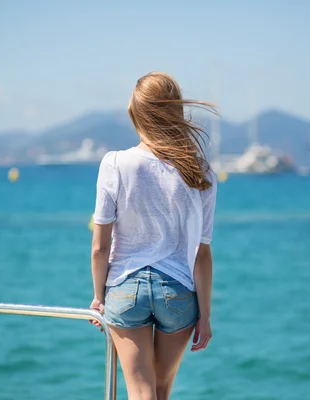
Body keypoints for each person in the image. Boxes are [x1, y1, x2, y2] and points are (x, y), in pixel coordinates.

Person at [89, 72, 218, 400]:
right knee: (160, 391)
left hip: (125, 288)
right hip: (177, 292)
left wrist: (99, 298)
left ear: (136, 113)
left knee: (141, 391)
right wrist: (205, 315)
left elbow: (99, 247)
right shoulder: (200, 170)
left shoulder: (115, 164)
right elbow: (202, 254)